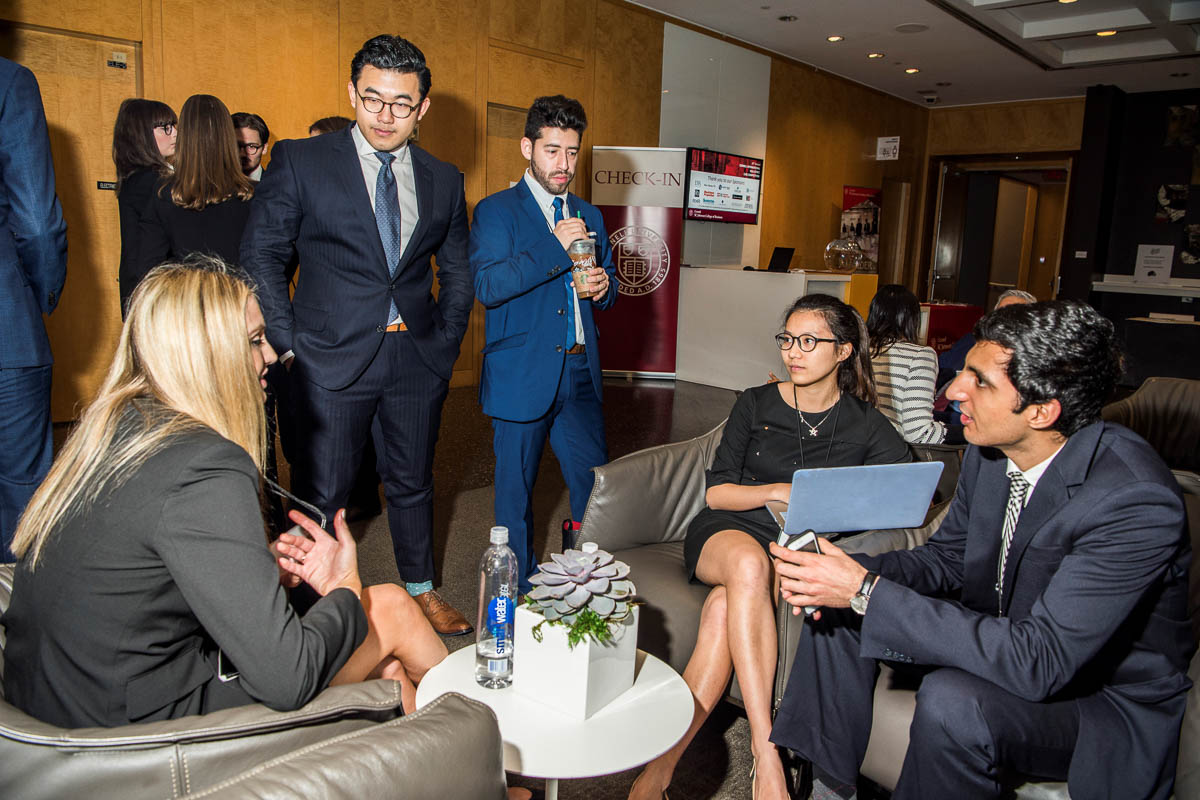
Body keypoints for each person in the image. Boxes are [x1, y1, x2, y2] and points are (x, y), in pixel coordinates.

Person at [770, 300, 1193, 800]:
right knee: (835, 613)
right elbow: (947, 559)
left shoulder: (1133, 501)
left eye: (980, 380)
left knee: (953, 699)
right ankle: (828, 787)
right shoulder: (991, 450)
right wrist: (844, 574)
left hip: (1091, 697)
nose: (953, 391)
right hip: (1003, 638)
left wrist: (865, 591)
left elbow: (1040, 661)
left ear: (1041, 410)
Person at [1, 260, 449, 727]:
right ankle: (491, 757)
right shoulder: (207, 465)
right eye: (255, 340)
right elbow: (289, 678)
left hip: (59, 710)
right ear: (209, 355)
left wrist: (250, 567)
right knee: (392, 610)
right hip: (133, 735)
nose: (272, 355)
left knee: (392, 677)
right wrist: (343, 589)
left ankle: (477, 774)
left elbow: (137, 570)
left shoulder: (117, 430)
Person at [628, 294, 911, 800]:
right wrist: (780, 491)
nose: (793, 353)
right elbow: (718, 492)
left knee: (722, 609)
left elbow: (907, 489)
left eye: (809, 341)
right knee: (747, 566)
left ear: (843, 352)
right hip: (729, 529)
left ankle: (660, 769)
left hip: (794, 544)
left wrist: (832, 518)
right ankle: (766, 748)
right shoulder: (755, 402)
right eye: (787, 340)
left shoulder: (865, 422)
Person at [241, 35, 475, 635]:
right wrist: (290, 344)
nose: (384, 115)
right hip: (327, 357)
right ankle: (298, 606)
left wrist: (445, 343)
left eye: (401, 104)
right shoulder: (301, 160)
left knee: (413, 480)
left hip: (415, 357)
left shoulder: (444, 178)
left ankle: (420, 588)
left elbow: (457, 268)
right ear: (352, 93)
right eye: (372, 98)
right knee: (320, 490)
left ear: (422, 108)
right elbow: (262, 254)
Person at [470, 94, 617, 594]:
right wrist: (554, 245)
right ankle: (518, 596)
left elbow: (609, 289)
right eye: (552, 150)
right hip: (522, 375)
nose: (564, 164)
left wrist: (601, 289)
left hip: (579, 373)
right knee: (515, 497)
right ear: (526, 147)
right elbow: (489, 287)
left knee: (597, 492)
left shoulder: (589, 214)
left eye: (572, 152)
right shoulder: (496, 212)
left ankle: (588, 585)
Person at [0, 57, 68, 562]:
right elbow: (39, 223)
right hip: (6, 332)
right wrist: (38, 297)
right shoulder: (9, 81)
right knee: (22, 501)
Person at [135, 94, 254, 280]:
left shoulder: (164, 192)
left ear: (185, 136)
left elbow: (148, 267)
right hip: (238, 301)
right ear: (228, 135)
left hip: (185, 302)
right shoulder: (254, 193)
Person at [113, 97, 176, 313]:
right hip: (154, 295)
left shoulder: (136, 178)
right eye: (166, 128)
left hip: (144, 291)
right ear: (142, 134)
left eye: (174, 126)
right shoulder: (152, 181)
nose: (175, 133)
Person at [867, 284, 946, 444]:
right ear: (913, 319)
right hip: (889, 455)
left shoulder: (854, 349)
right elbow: (919, 433)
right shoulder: (920, 355)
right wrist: (961, 432)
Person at [936, 288, 1036, 388]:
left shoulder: (1028, 361)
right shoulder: (971, 341)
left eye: (1013, 315)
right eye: (1000, 313)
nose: (1003, 320)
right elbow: (938, 368)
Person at [231, 111, 269, 180]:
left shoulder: (277, 187)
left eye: (251, 146)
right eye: (237, 146)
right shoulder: (213, 185)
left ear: (264, 148)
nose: (242, 154)